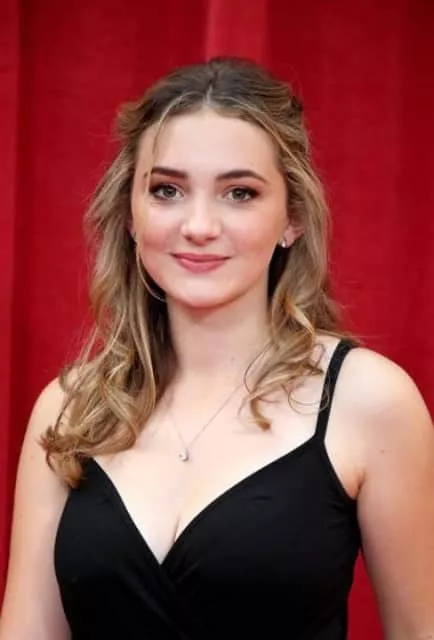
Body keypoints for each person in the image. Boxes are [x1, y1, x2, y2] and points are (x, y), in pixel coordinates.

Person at [1, 56, 433, 640]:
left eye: (239, 193)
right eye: (167, 190)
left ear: (292, 218)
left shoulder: (370, 401)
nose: (199, 225)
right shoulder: (70, 409)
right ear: (130, 214)